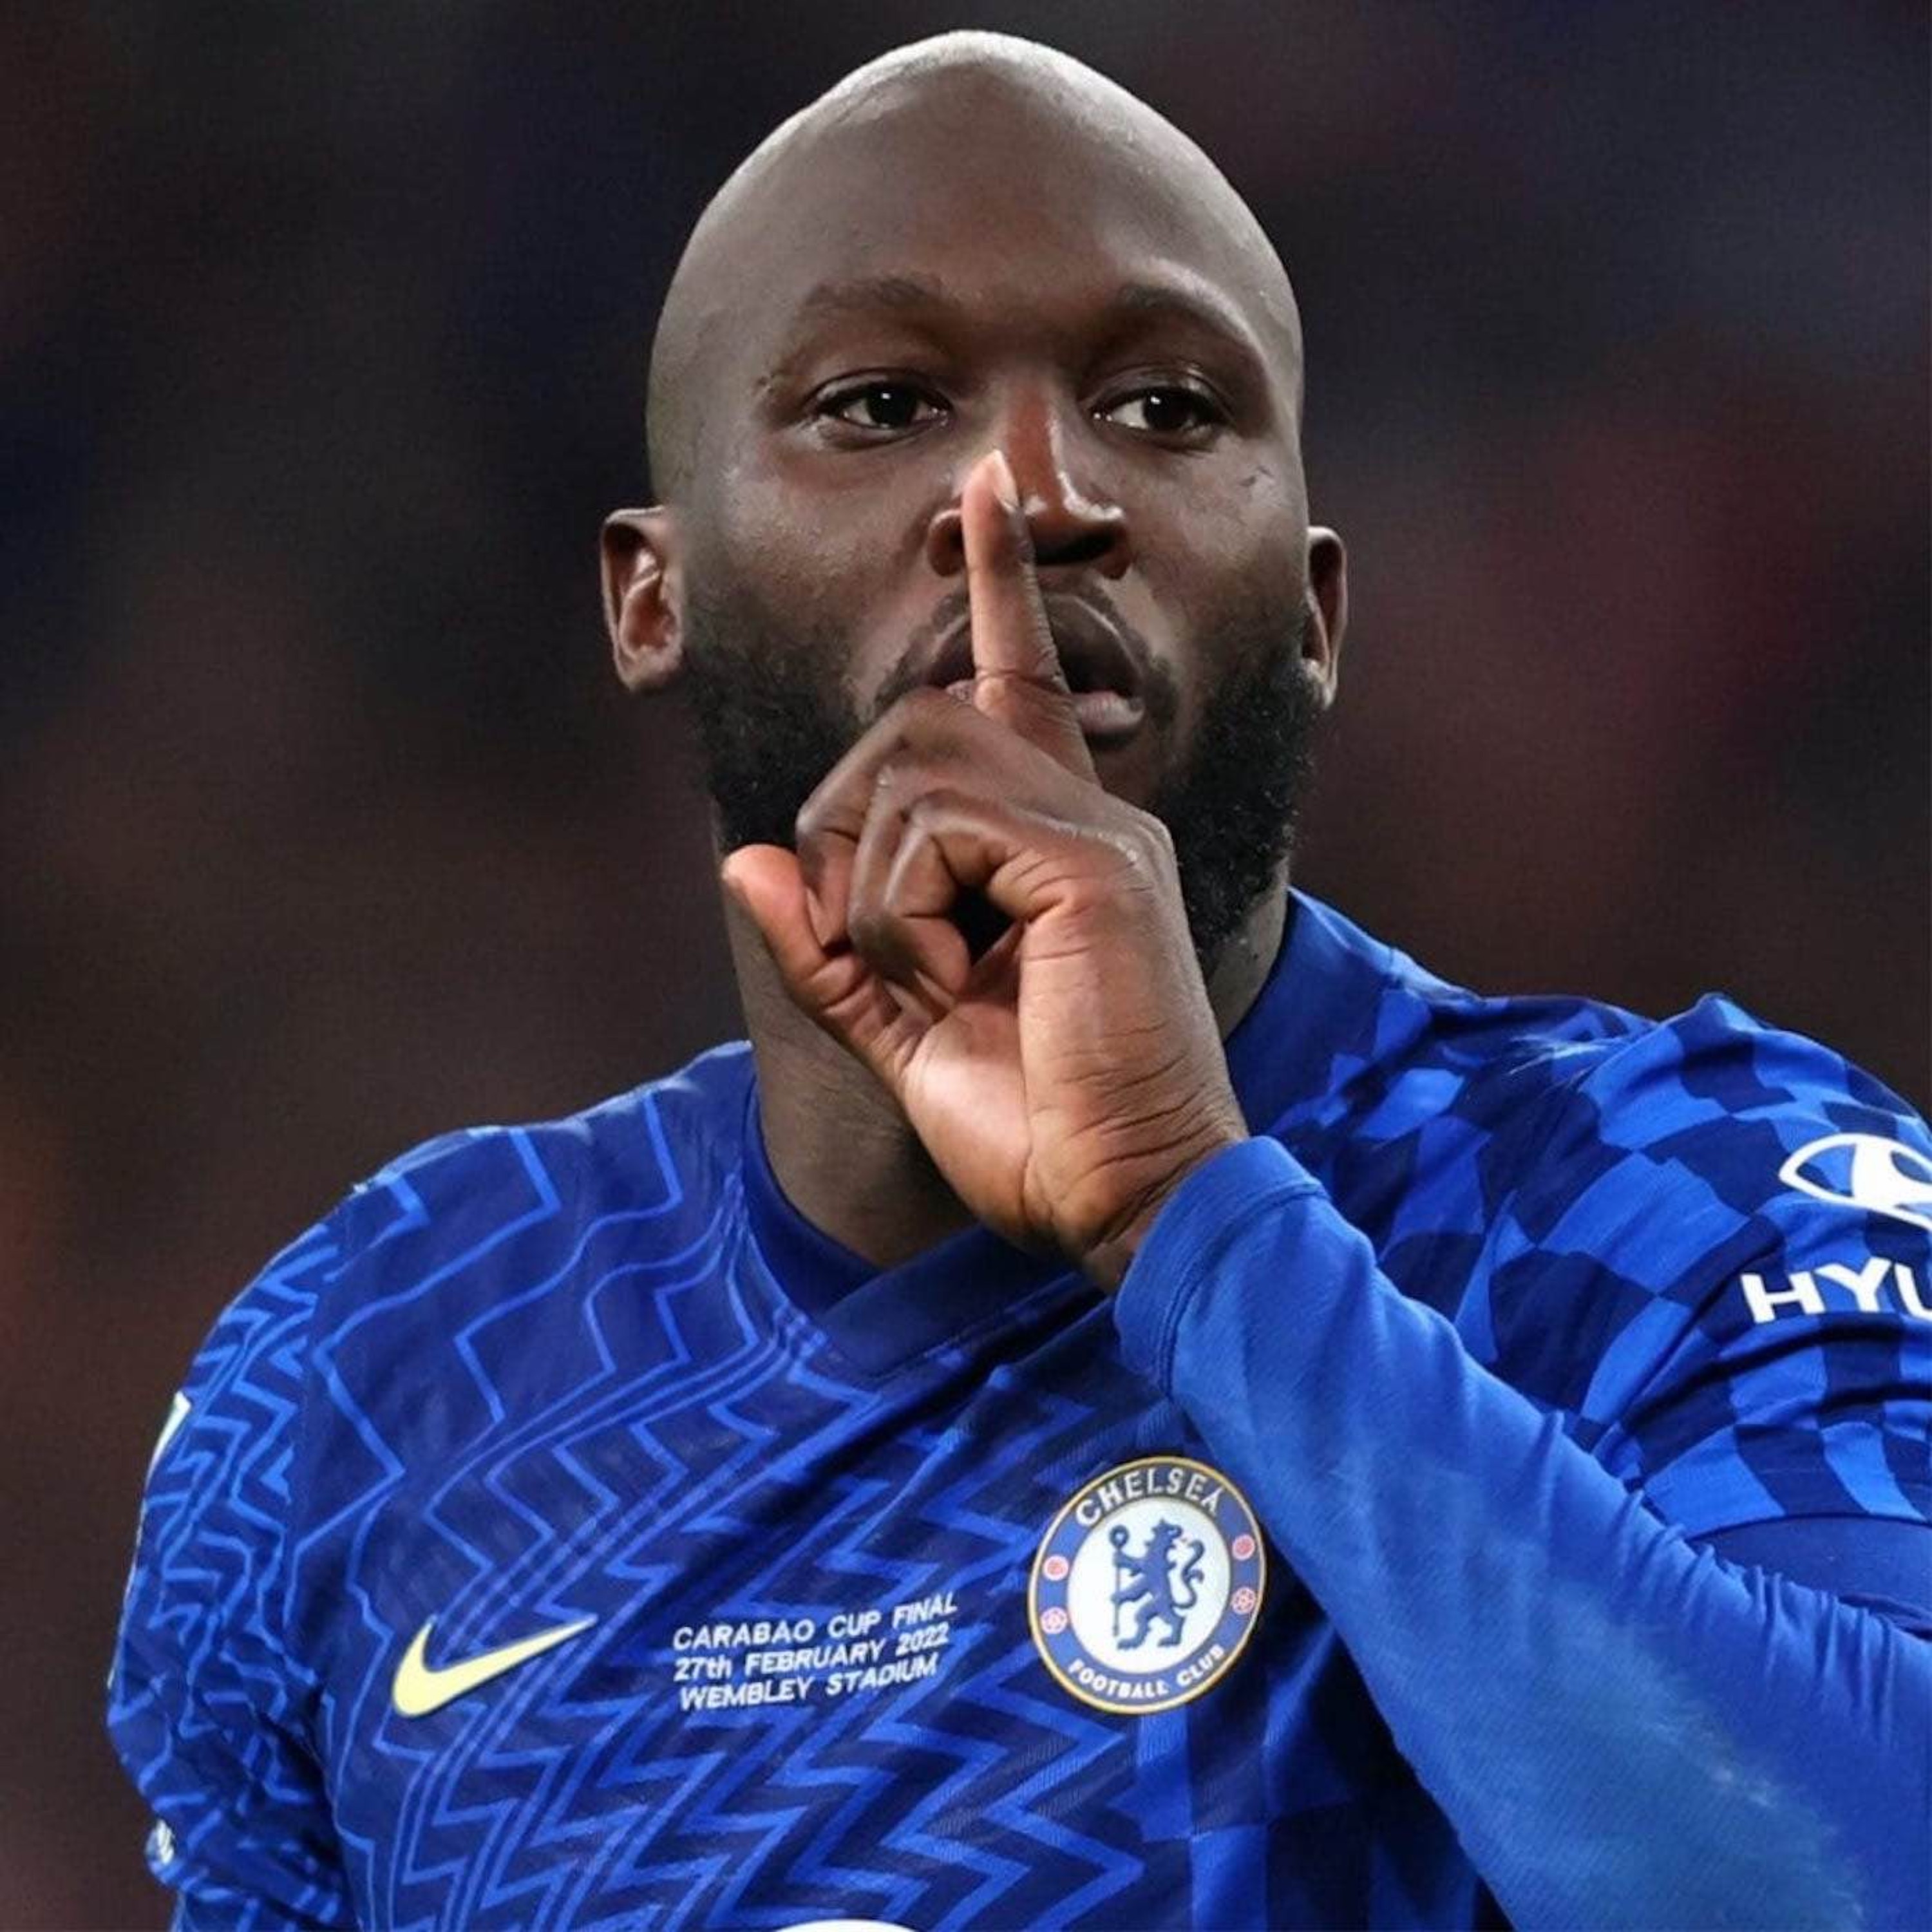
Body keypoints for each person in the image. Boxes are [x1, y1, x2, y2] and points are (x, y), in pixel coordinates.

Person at [108, 32, 1929, 1931]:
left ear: (1316, 612)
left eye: (1166, 407)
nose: (1036, 491)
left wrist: (1186, 1210)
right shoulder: (372, 1371)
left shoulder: (1679, 1201)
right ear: (655, 598)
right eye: (883, 403)